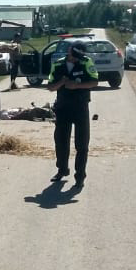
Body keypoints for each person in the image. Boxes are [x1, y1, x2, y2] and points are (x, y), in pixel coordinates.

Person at [47, 41, 98, 187]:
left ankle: (80, 176)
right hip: (63, 107)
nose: (76, 59)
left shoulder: (86, 62)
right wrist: (62, 82)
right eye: (74, 55)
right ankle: (62, 169)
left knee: (82, 144)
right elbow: (50, 86)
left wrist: (77, 85)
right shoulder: (58, 64)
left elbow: (94, 81)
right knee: (61, 141)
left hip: (80, 107)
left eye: (79, 56)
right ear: (69, 51)